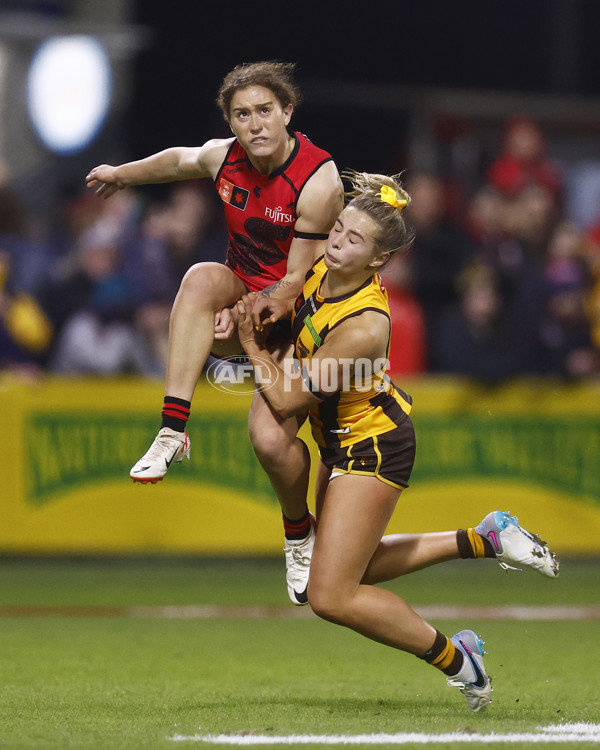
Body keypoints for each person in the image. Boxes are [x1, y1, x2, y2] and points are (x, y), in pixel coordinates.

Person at [236, 170, 559, 712]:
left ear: (378, 260)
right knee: (340, 573)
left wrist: (249, 345)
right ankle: (485, 540)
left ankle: (460, 660)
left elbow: (290, 401)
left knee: (331, 596)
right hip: (340, 440)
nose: (337, 241)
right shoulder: (318, 270)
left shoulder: (366, 324)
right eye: (337, 229)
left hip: (372, 445)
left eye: (353, 239)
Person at [86, 61, 344, 604]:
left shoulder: (319, 179)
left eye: (265, 111)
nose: (255, 125)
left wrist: (246, 311)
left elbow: (298, 280)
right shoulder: (224, 157)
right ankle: (172, 429)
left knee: (271, 443)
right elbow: (177, 160)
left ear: (288, 112)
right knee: (200, 279)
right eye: (242, 114)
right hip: (246, 300)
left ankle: (299, 533)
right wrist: (120, 173)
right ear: (231, 121)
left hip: (300, 321)